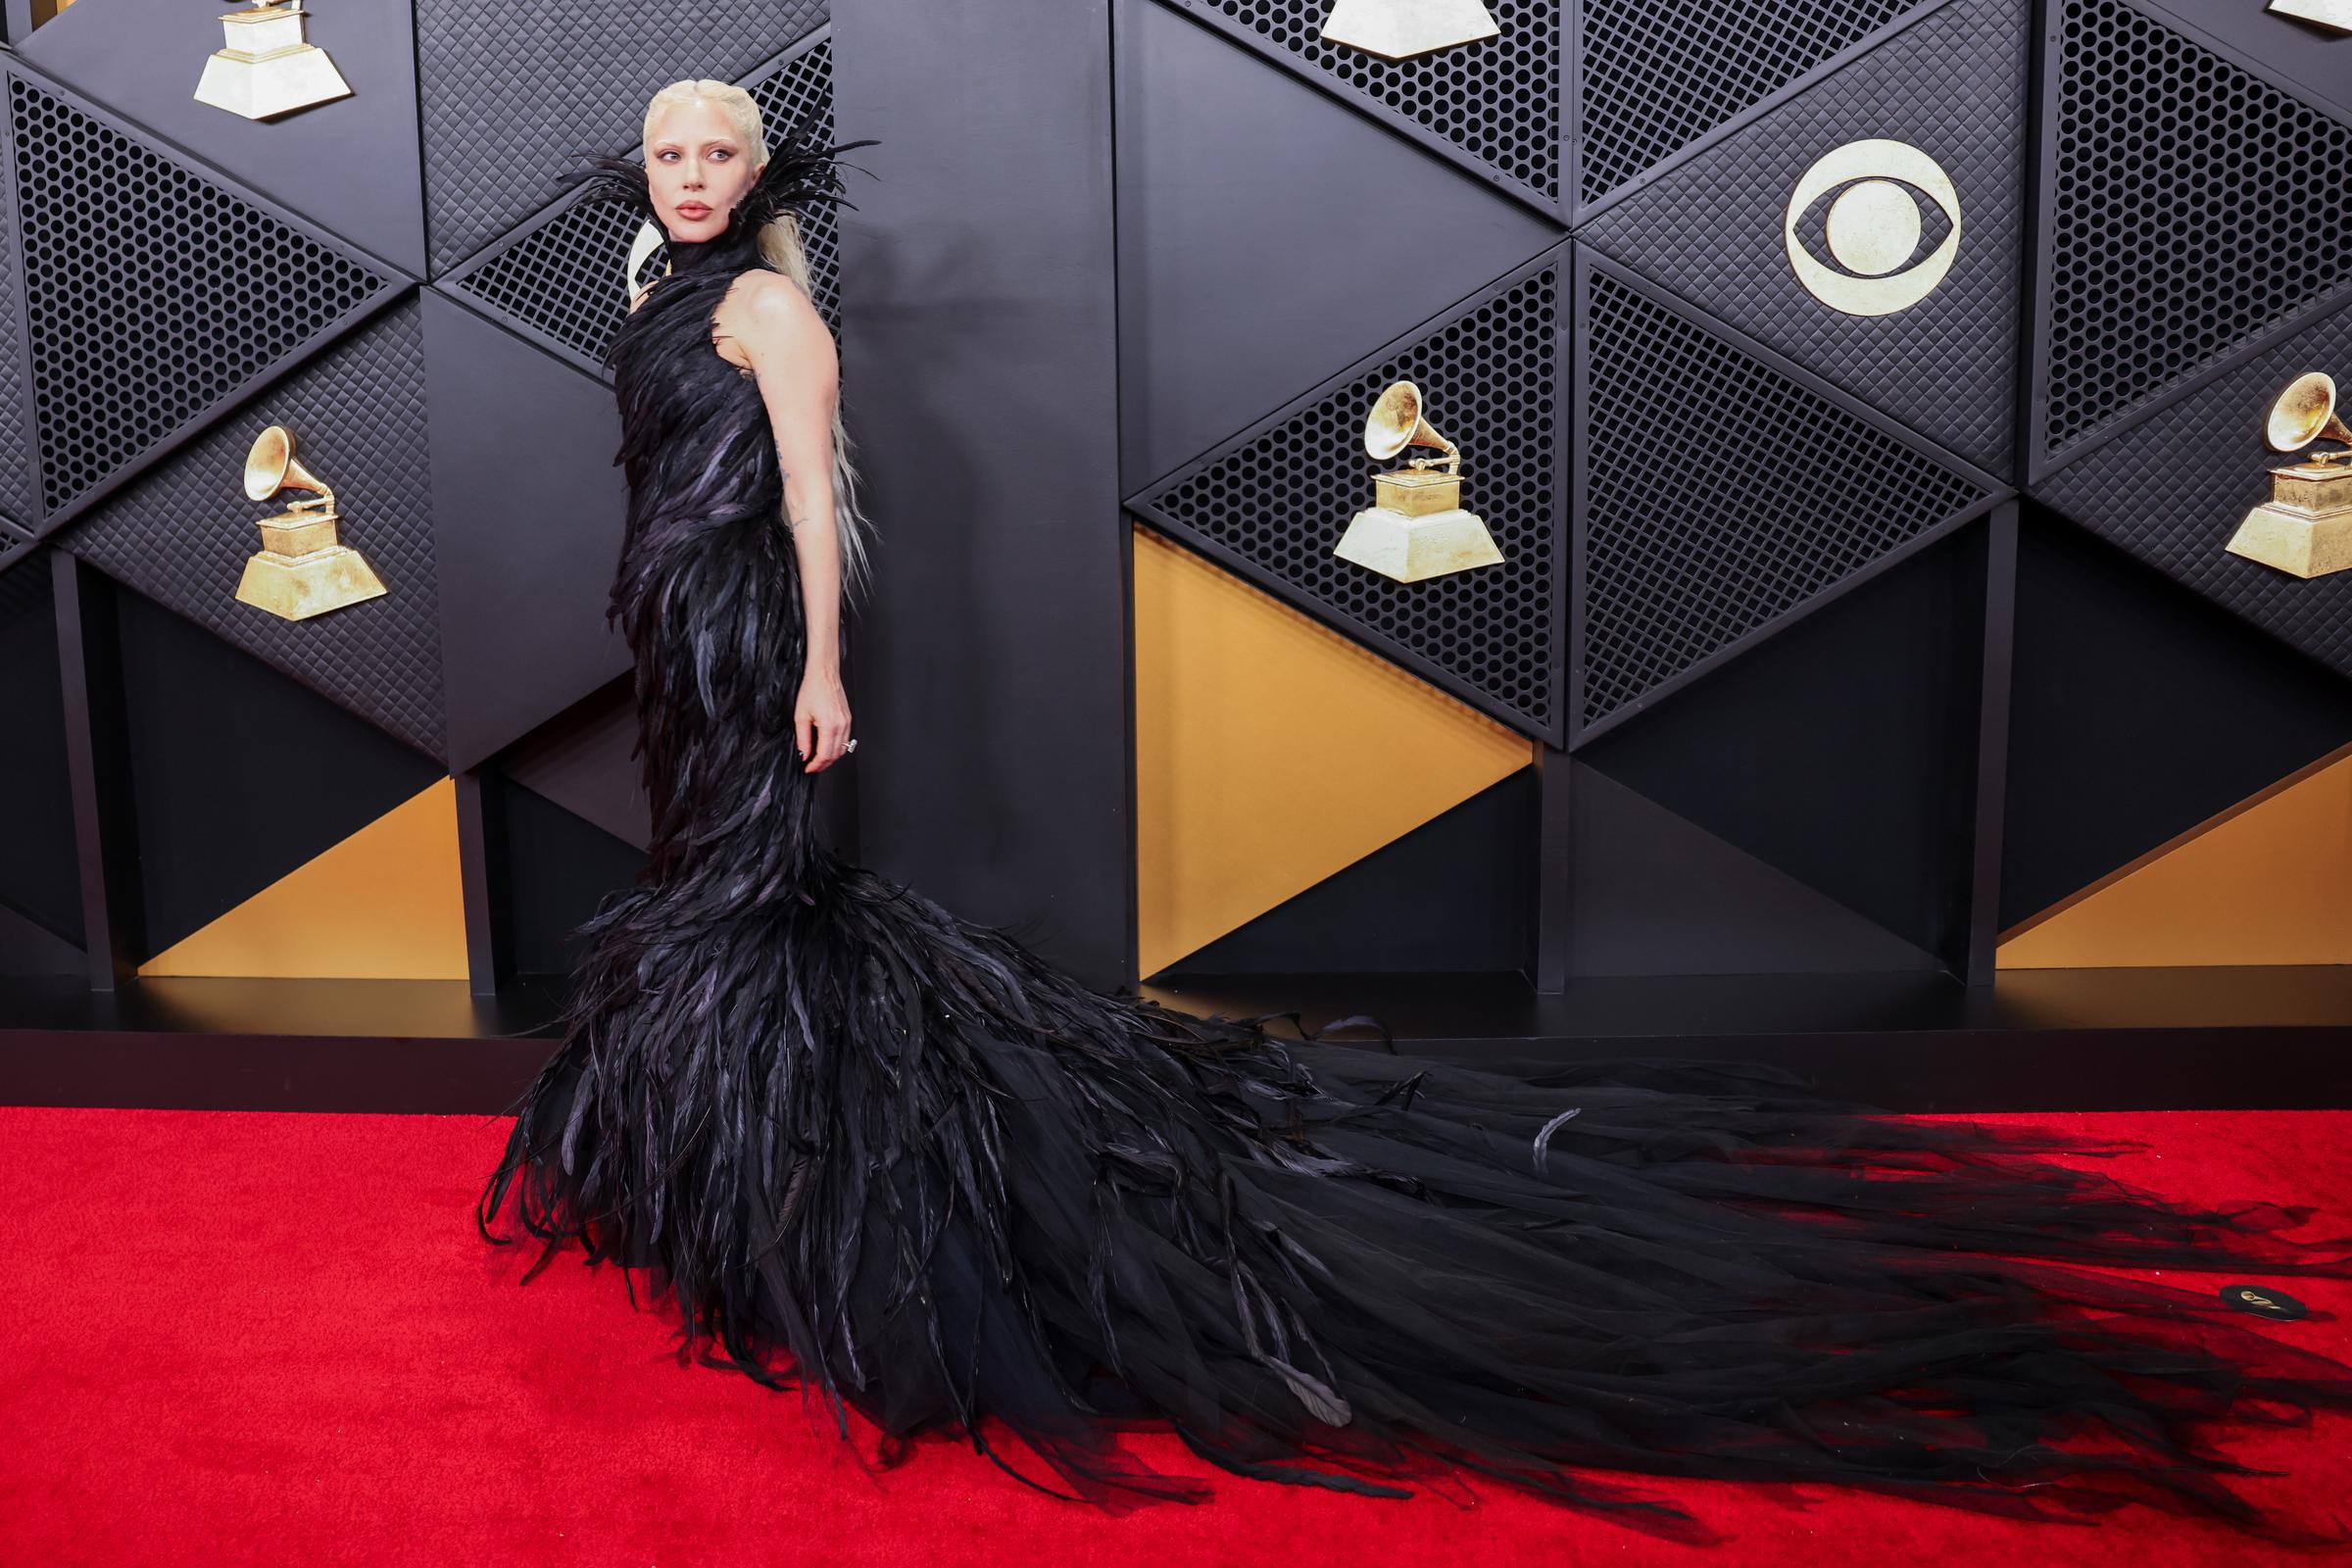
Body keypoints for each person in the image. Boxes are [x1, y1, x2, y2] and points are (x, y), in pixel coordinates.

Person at [478, 78, 2352, 1545]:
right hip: (676, 635)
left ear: (761, 165)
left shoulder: (777, 321)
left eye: (724, 147)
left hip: (750, 638)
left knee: (753, 900)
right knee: (713, 893)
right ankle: (729, 1166)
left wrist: (819, 669)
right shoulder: (661, 291)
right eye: (674, 147)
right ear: (646, 170)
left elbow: (817, 500)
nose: (698, 168)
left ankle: (775, 1172)